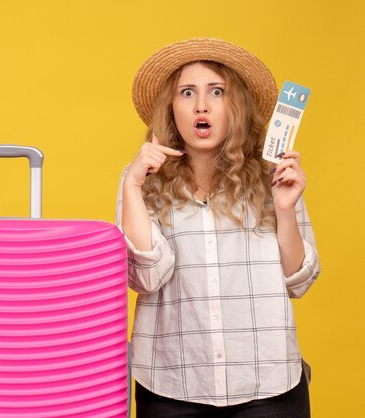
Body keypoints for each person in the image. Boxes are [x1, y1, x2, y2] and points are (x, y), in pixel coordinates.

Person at [115, 38, 321, 417]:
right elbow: (145, 277)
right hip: (172, 384)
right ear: (171, 108)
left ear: (235, 107)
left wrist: (285, 211)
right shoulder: (141, 181)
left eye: (217, 91)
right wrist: (131, 185)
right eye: (187, 92)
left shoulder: (274, 178)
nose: (201, 105)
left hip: (267, 383)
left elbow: (299, 281)